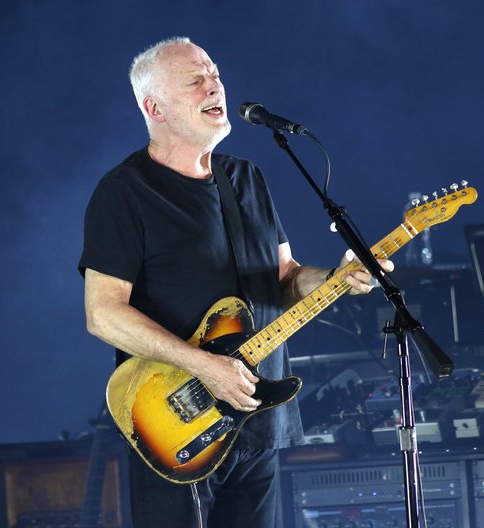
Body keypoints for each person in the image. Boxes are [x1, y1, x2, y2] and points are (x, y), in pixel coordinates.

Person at [79, 36, 394, 528]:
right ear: (154, 107)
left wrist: (338, 277)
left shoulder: (246, 178)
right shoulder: (124, 193)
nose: (215, 86)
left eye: (216, 74)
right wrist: (203, 365)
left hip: (255, 413)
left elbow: (285, 279)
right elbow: (103, 313)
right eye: (196, 81)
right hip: (175, 420)